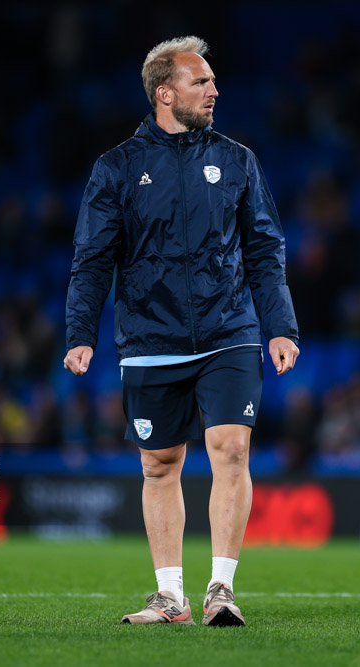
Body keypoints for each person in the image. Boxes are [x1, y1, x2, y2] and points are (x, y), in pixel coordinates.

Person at [63, 36, 300, 627]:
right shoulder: (116, 169)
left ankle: (222, 587)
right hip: (150, 338)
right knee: (159, 464)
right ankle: (171, 597)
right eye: (202, 82)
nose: (215, 90)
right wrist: (80, 332)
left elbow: (265, 249)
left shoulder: (238, 161)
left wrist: (279, 325)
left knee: (230, 447)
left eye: (214, 81)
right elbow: (92, 259)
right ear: (165, 93)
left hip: (229, 330)